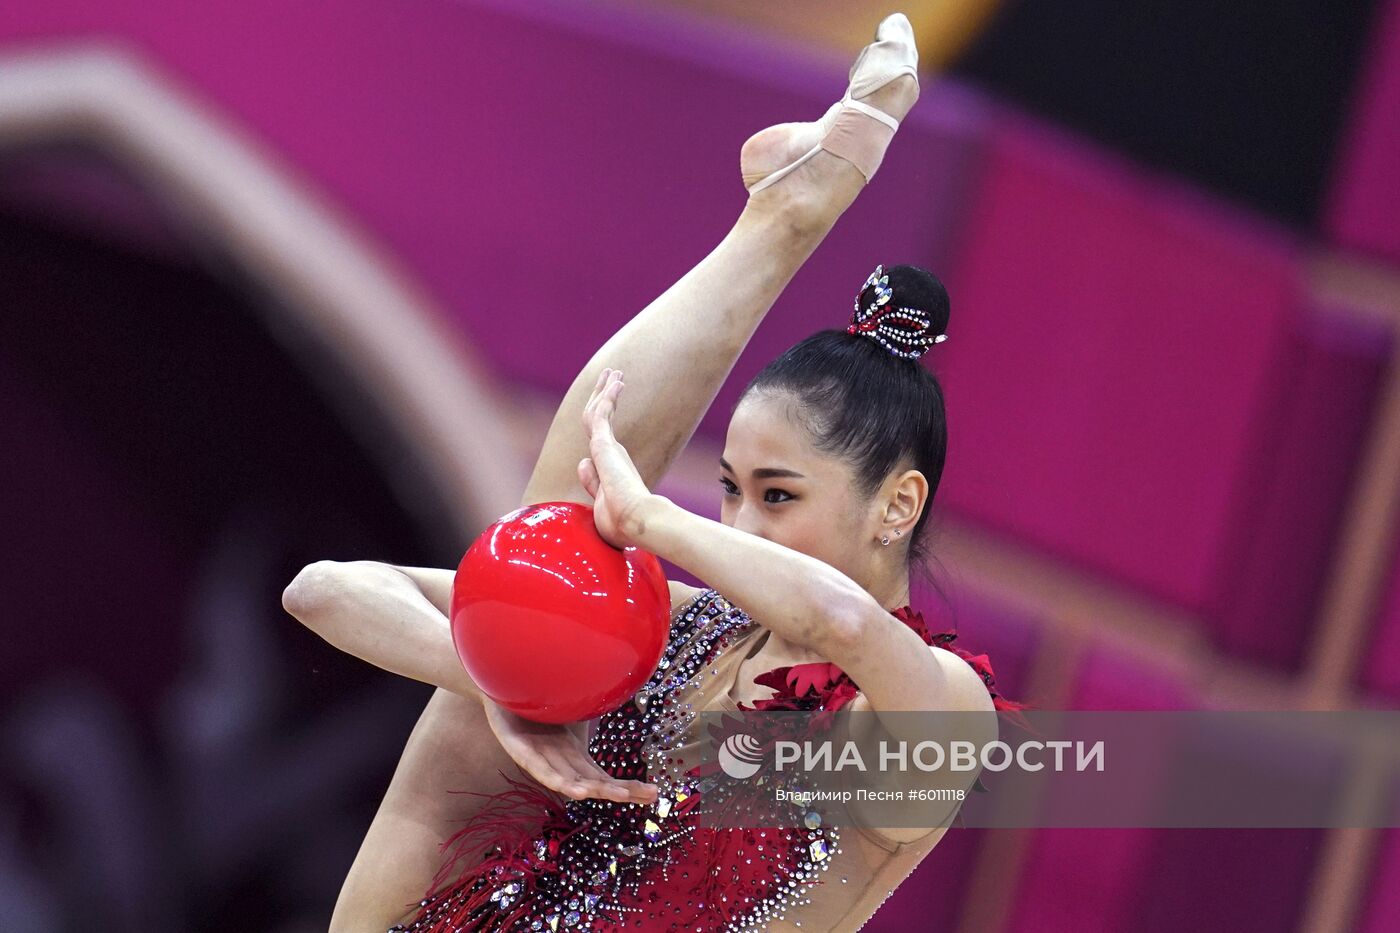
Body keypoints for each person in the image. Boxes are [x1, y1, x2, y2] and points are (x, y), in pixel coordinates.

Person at [282, 13, 1022, 932]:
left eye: (778, 497)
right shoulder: (687, 631)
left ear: (897, 504)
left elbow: (837, 618)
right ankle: (778, 221)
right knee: (543, 571)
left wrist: (655, 522)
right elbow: (325, 593)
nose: (741, 528)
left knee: (578, 550)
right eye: (730, 491)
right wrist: (513, 693)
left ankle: (784, 216)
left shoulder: (934, 704)